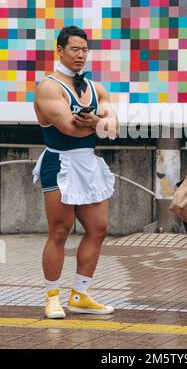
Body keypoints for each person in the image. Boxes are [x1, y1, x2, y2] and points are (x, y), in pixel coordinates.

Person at [33, 26, 119, 319]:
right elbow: (68, 127)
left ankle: (80, 294)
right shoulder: (48, 86)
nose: (80, 55)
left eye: (84, 50)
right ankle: (52, 296)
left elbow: (113, 129)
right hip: (60, 162)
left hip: (88, 162)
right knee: (60, 231)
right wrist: (98, 121)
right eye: (74, 49)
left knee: (99, 229)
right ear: (60, 50)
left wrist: (95, 122)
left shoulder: (96, 87)